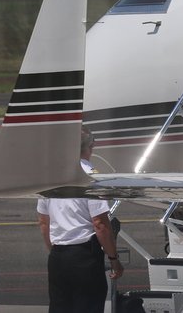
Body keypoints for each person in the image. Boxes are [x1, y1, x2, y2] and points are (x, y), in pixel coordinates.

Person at [36, 129, 123, 313]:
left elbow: (43, 222)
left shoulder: (51, 175)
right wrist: (114, 259)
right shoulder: (90, 175)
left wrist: (55, 251)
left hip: (58, 257)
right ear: (90, 147)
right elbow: (100, 224)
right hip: (84, 257)